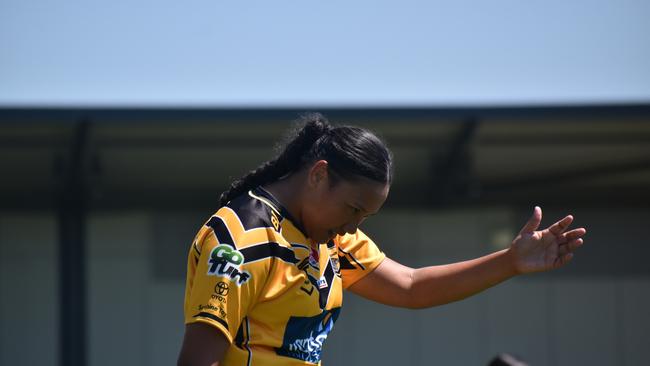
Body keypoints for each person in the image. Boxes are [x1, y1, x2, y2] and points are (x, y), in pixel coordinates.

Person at [177, 113, 586, 366]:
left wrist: (511, 262)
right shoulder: (240, 240)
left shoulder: (327, 238)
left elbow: (410, 287)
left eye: (365, 216)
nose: (355, 228)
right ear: (319, 175)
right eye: (353, 210)